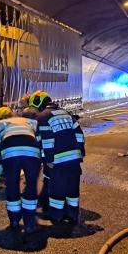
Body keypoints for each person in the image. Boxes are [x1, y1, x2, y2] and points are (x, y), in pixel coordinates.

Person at [30, 91, 85, 224]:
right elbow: (79, 135)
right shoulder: (66, 114)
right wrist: (80, 153)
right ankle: (72, 214)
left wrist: (47, 161)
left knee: (57, 190)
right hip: (74, 159)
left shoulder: (42, 118)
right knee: (72, 188)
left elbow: (46, 142)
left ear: (39, 104)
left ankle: (57, 216)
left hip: (58, 160)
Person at [0, 105, 41, 233]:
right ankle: (29, 223)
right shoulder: (31, 122)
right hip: (32, 153)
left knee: (12, 185)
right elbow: (40, 140)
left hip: (10, 154)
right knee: (31, 185)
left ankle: (14, 221)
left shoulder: (0, 123)